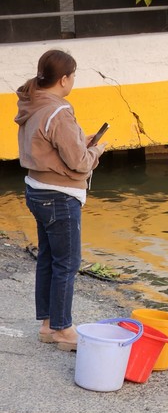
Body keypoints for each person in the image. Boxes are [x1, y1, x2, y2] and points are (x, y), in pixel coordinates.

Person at [14, 49, 107, 351]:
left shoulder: (32, 103)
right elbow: (79, 161)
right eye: (73, 76)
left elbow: (50, 146)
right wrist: (94, 151)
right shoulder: (59, 111)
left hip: (36, 189)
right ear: (64, 78)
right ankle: (63, 329)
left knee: (48, 258)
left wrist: (82, 142)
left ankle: (47, 324)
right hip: (60, 195)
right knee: (67, 263)